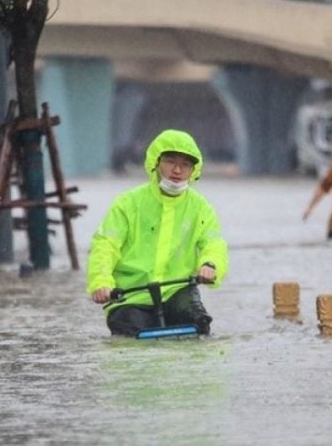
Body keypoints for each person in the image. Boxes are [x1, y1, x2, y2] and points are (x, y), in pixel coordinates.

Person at [87, 129, 228, 336]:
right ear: (156, 162)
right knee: (129, 334)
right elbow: (105, 245)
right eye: (170, 161)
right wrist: (101, 282)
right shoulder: (127, 204)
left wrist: (210, 265)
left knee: (198, 324)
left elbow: (213, 243)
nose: (177, 170)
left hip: (177, 290)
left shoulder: (201, 208)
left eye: (185, 165)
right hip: (131, 295)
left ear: (194, 171)